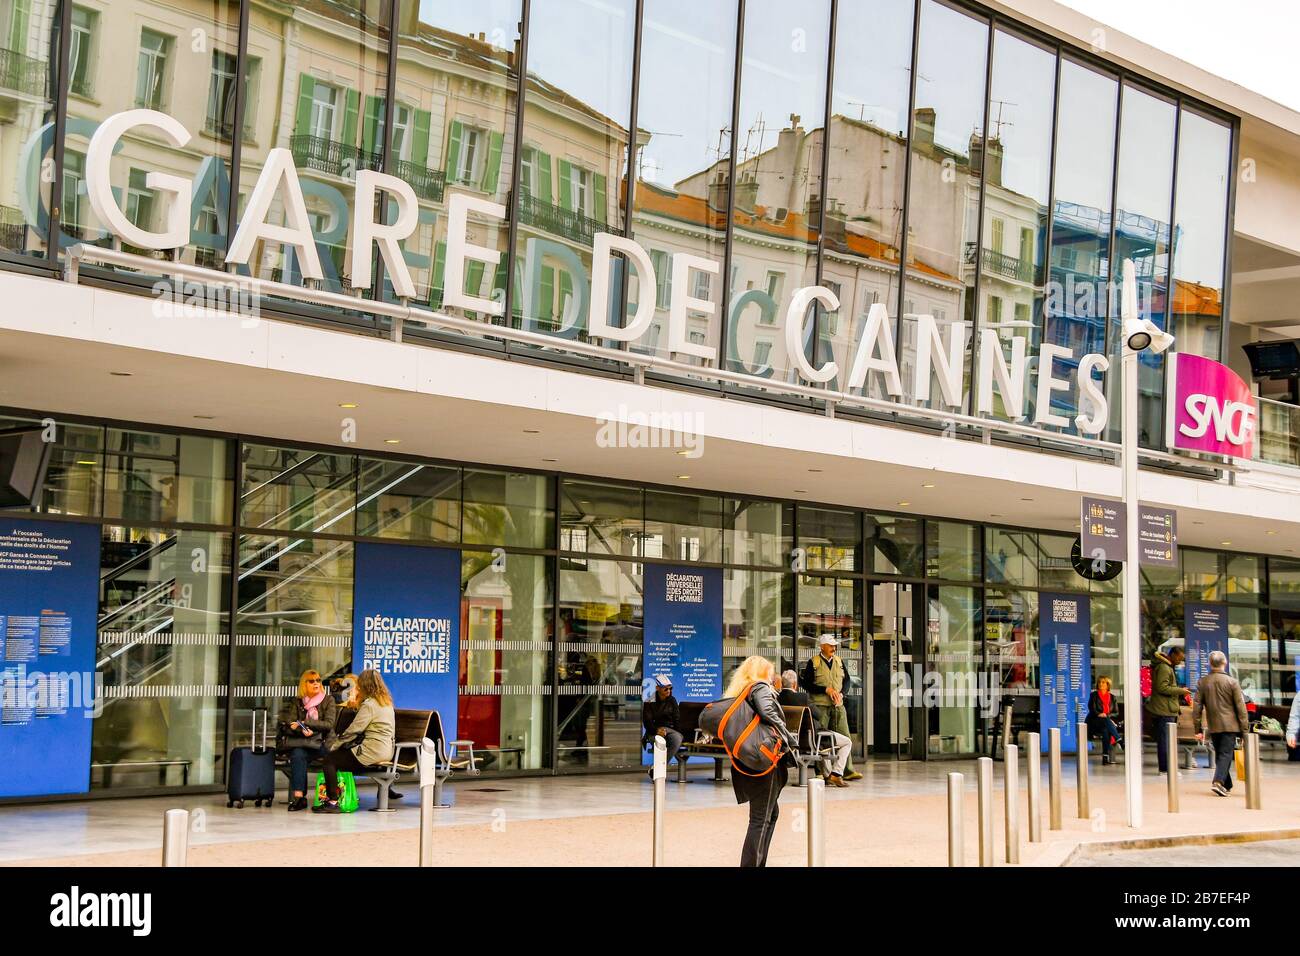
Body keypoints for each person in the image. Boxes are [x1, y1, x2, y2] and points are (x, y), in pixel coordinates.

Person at [725, 656, 799, 867]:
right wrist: (787, 736)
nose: (773, 676)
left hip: (749, 761)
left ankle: (759, 862)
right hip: (764, 762)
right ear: (761, 673)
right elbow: (768, 712)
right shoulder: (759, 687)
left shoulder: (740, 692)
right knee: (760, 818)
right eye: (770, 672)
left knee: (770, 813)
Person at [313, 670, 395, 813]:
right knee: (339, 757)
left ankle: (332, 802)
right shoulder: (386, 702)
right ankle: (338, 797)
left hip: (372, 752)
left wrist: (335, 745)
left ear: (364, 685)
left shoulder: (370, 705)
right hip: (386, 751)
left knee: (330, 760)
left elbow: (354, 730)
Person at [777, 670, 852, 787]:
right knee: (847, 742)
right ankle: (837, 774)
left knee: (824, 744)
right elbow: (818, 714)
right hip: (811, 741)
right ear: (795, 685)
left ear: (782, 684)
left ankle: (828, 776)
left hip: (790, 741)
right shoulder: (803, 698)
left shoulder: (777, 699)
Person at [801, 634, 860, 780]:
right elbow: (807, 684)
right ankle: (821, 773)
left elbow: (847, 681)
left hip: (838, 705)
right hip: (820, 706)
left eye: (834, 645)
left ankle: (847, 770)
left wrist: (842, 694)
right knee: (821, 739)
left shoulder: (839, 661)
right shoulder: (813, 662)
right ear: (822, 646)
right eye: (830, 645)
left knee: (845, 736)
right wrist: (825, 689)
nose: (834, 648)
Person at [1192, 650, 1250, 797]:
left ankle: (1226, 784)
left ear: (1210, 664)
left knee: (1221, 754)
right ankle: (1218, 782)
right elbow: (1241, 708)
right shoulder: (1232, 682)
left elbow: (1197, 707)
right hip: (1230, 726)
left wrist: (1197, 728)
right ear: (1225, 663)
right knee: (1225, 754)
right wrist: (1244, 731)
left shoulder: (1203, 682)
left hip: (1214, 725)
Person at [277, 669, 337, 812]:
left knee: (299, 754)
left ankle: (301, 797)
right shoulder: (297, 702)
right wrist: (302, 730)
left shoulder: (328, 700)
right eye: (312, 681)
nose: (316, 683)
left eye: (318, 680)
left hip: (322, 745)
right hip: (304, 742)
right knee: (297, 754)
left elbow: (329, 724)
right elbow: (289, 724)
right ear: (304, 684)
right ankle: (299, 798)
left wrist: (308, 724)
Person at [1145, 645, 1189, 774]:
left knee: (1167, 741)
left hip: (1167, 709)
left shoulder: (1166, 666)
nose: (1180, 662)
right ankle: (1165, 769)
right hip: (1164, 710)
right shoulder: (1164, 667)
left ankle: (1167, 768)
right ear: (1174, 655)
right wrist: (1181, 691)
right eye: (1179, 659)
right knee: (1165, 742)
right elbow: (1162, 687)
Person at [642, 675, 686, 776]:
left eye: (670, 688)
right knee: (663, 741)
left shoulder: (672, 700)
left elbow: (677, 720)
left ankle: (656, 769)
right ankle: (657, 770)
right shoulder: (649, 700)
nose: (668, 691)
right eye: (665, 688)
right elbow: (647, 721)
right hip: (653, 732)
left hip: (670, 731)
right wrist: (656, 730)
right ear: (657, 688)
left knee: (677, 738)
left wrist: (680, 733)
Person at [1086, 675, 1122, 765]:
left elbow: (1116, 712)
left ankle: (1105, 758)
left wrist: (1106, 714)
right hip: (1094, 721)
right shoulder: (1093, 695)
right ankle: (1119, 740)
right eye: (1099, 682)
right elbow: (1092, 709)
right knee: (1105, 721)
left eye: (1103, 682)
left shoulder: (1112, 697)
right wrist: (1100, 714)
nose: (1100, 684)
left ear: (1107, 685)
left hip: (1105, 723)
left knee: (1106, 730)